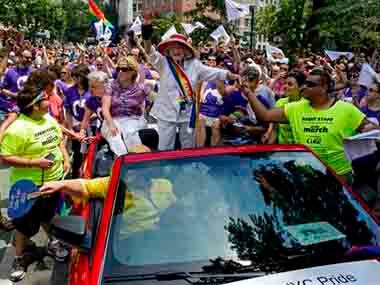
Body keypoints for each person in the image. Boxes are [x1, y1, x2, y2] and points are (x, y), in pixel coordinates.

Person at [246, 67, 378, 182]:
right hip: (305, 175)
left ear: (324, 87)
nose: (304, 87)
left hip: (338, 176)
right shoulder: (294, 108)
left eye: (310, 84)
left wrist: (373, 129)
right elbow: (264, 115)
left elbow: (370, 129)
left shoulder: (346, 109)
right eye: (304, 83)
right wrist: (248, 92)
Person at [0, 85, 70, 282]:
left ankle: (53, 243)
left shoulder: (47, 118)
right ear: (35, 105)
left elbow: (57, 141)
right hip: (29, 188)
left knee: (48, 216)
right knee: (23, 226)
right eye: (46, 98)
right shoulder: (17, 129)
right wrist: (34, 162)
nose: (51, 100)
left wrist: (65, 158)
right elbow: (5, 157)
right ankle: (19, 258)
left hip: (54, 181)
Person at [142, 12, 240, 150]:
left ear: (185, 50)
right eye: (173, 47)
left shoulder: (195, 65)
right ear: (168, 50)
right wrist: (146, 26)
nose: (177, 50)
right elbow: (148, 50)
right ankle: (166, 171)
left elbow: (215, 72)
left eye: (180, 47)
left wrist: (232, 76)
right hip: (166, 113)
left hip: (187, 114)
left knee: (188, 148)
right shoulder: (162, 62)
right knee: (165, 149)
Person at [101, 56, 152, 155]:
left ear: (133, 72)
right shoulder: (110, 86)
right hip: (112, 120)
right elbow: (105, 109)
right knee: (115, 138)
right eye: (118, 69)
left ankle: (135, 162)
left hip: (133, 120)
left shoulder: (141, 88)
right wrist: (111, 124)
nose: (120, 71)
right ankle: (123, 161)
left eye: (124, 69)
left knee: (130, 133)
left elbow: (158, 99)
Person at [263, 70, 306, 144]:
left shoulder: (306, 104)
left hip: (300, 151)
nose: (285, 86)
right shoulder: (280, 102)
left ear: (301, 87)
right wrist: (268, 148)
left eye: (290, 84)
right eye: (285, 83)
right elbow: (275, 130)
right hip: (283, 150)